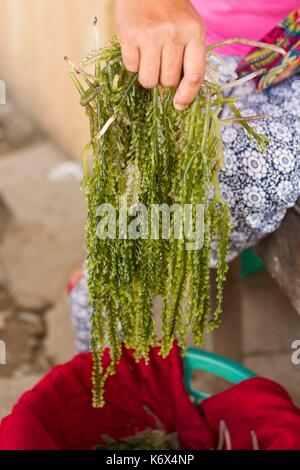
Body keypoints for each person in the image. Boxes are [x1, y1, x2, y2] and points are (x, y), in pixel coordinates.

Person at [70, 0, 300, 352]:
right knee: (144, 179)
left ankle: (121, 274)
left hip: (287, 70)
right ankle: (106, 280)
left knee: (239, 175)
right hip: (202, 47)